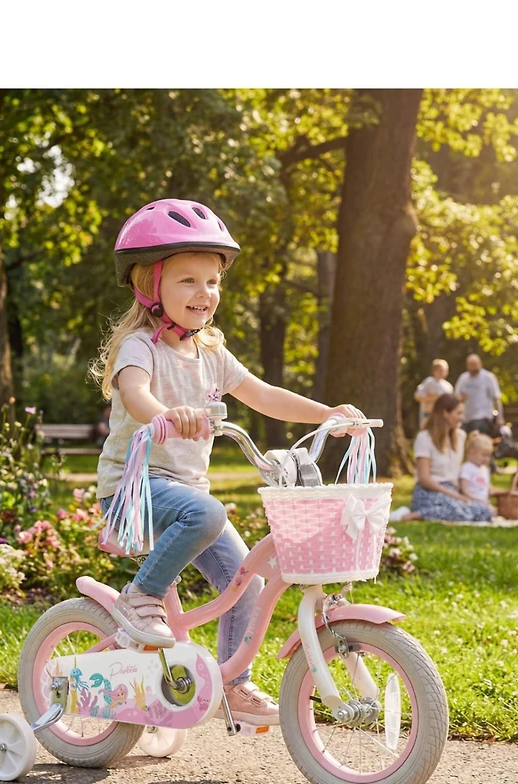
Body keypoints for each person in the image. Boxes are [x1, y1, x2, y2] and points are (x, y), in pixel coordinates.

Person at [90, 197, 362, 726]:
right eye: (188, 280)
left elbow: (263, 394)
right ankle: (138, 597)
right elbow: (135, 395)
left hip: (186, 494)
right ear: (151, 286)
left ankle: (232, 683)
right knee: (209, 513)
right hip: (136, 488)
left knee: (247, 581)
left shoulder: (212, 352)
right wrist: (166, 415)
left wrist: (326, 414)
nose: (204, 293)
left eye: (212, 281)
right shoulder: (138, 348)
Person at [404, 393, 493, 522]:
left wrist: (462, 494)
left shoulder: (460, 437)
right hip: (429, 492)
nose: (462, 418)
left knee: (483, 511)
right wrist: (455, 496)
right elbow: (424, 479)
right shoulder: (424, 438)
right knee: (457, 510)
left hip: (452, 492)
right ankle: (417, 514)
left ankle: (423, 514)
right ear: (445, 413)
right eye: (458, 413)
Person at [454, 353, 503, 435]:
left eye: (475, 364)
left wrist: (500, 417)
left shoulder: (488, 377)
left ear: (480, 364)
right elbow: (456, 396)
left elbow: (496, 399)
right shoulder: (463, 378)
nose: (474, 367)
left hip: (483, 417)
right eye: (471, 364)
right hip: (466, 418)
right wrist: (461, 398)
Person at [459, 431, 497, 516]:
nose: (486, 459)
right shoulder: (467, 468)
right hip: (471, 501)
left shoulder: (485, 470)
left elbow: (487, 487)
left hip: (484, 502)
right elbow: (464, 491)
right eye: (483, 455)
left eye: (488, 456)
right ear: (471, 453)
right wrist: (479, 500)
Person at [414, 359, 453, 428]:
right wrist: (432, 399)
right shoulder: (429, 382)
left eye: (444, 370)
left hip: (442, 416)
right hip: (428, 414)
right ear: (434, 371)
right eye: (439, 370)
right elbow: (417, 396)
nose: (442, 372)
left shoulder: (448, 386)